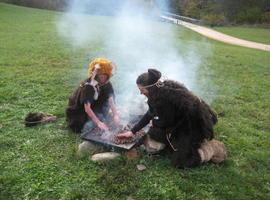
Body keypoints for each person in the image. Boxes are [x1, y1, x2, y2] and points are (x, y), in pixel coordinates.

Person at [117, 68, 227, 168]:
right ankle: (175, 143)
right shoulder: (157, 92)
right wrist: (132, 131)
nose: (141, 93)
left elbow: (166, 122)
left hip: (191, 126)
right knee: (156, 134)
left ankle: (211, 148)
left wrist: (154, 123)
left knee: (182, 162)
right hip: (178, 122)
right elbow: (150, 113)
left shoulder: (164, 99)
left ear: (150, 88)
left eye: (142, 90)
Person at [66, 58, 119, 133]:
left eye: (106, 76)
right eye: (101, 76)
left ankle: (98, 118)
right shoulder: (88, 86)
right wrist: (98, 123)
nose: (104, 78)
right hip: (79, 112)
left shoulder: (106, 83)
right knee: (88, 126)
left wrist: (115, 114)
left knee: (104, 115)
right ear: (96, 74)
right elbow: (87, 108)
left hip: (94, 106)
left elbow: (110, 99)